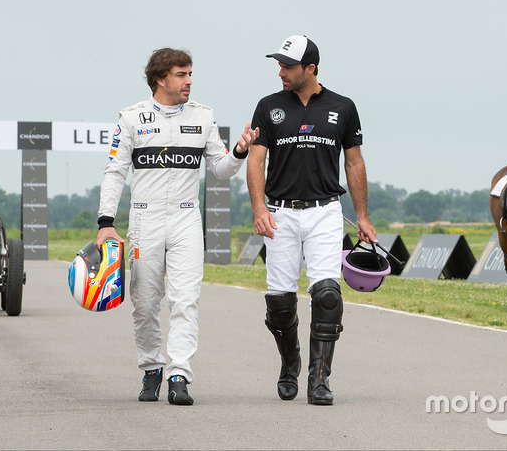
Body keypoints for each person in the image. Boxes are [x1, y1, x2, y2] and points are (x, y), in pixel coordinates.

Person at [96, 47, 259, 405]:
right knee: (143, 303)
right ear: (160, 79)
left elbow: (220, 169)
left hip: (186, 217)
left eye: (190, 74)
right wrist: (105, 222)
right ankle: (152, 367)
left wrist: (240, 152)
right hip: (144, 217)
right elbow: (115, 172)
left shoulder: (203, 117)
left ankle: (180, 375)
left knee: (185, 300)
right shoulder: (131, 117)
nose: (189, 81)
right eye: (181, 75)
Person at [247, 34, 377, 406]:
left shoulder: (343, 106)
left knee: (327, 296)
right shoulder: (268, 106)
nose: (281, 72)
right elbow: (256, 160)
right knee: (280, 304)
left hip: (325, 213)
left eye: (287, 66)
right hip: (280, 214)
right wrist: (259, 209)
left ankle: (319, 379)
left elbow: (354, 162)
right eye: (280, 65)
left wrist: (363, 216)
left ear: (310, 68)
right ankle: (290, 363)